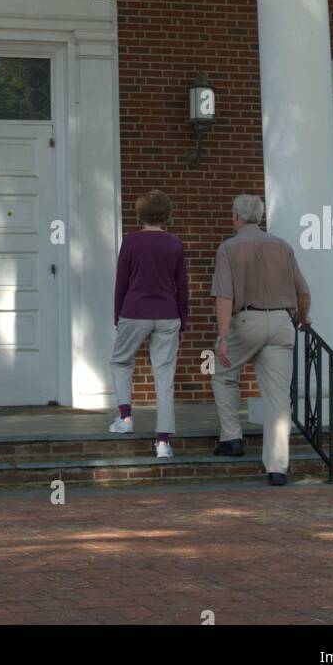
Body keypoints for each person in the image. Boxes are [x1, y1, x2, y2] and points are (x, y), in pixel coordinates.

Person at [210, 193, 311, 486]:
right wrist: (303, 318)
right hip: (282, 322)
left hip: (246, 320)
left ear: (235, 217)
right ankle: (277, 467)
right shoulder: (282, 246)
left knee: (222, 371)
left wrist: (223, 336)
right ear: (260, 218)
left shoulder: (228, 248)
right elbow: (304, 292)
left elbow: (224, 296)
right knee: (278, 397)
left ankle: (231, 438)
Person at [109, 189, 189, 460]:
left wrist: (117, 315)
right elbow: (183, 287)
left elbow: (121, 282)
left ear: (139, 214)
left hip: (134, 311)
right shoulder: (174, 243)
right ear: (167, 214)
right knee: (164, 378)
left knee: (121, 361)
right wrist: (184, 321)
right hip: (168, 313)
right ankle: (163, 443)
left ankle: (125, 418)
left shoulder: (130, 242)